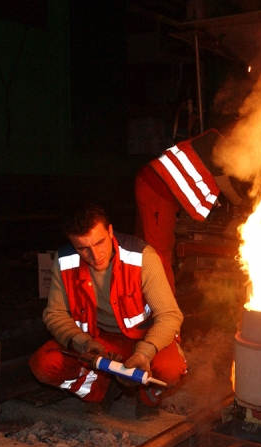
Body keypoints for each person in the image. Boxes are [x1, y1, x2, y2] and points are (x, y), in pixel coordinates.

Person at [29, 203, 187, 420]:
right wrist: (83, 342)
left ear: (110, 231)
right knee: (44, 364)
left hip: (142, 338)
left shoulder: (142, 256)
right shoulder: (64, 260)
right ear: (72, 243)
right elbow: (54, 314)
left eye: (99, 242)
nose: (94, 255)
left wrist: (144, 353)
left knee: (170, 369)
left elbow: (170, 315)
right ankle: (100, 390)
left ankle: (149, 395)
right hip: (98, 341)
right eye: (82, 248)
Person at [135, 129, 246, 294]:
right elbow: (225, 183)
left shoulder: (212, 140)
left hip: (156, 189)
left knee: (153, 249)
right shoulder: (216, 145)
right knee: (159, 252)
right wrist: (243, 204)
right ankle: (163, 306)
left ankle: (150, 298)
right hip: (156, 190)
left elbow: (228, 180)